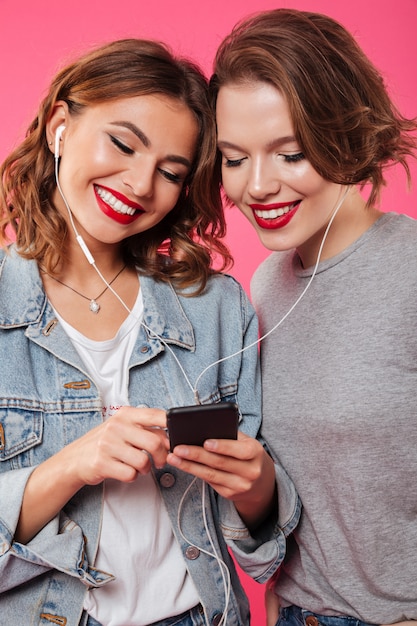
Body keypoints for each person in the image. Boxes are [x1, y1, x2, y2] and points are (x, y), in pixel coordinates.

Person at [0, 37, 290, 626]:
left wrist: (259, 489)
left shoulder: (215, 309)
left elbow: (258, 552)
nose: (138, 183)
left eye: (170, 171)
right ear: (61, 123)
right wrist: (72, 466)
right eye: (123, 144)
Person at [209, 8, 417, 626]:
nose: (258, 186)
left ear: (343, 136)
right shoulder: (267, 284)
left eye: (290, 153)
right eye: (234, 158)